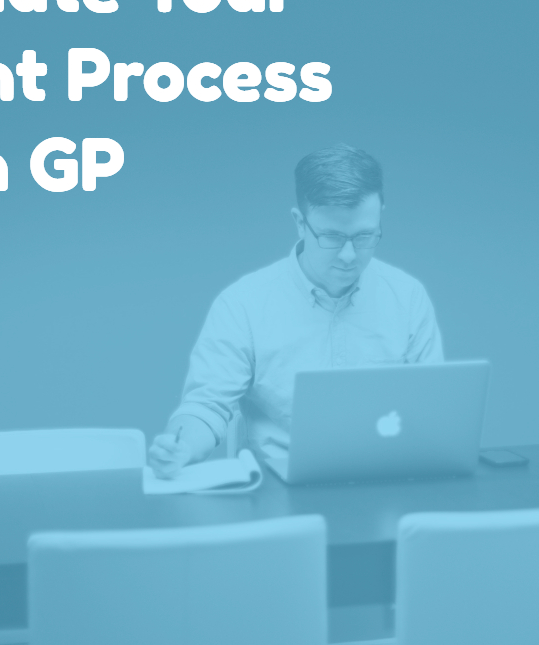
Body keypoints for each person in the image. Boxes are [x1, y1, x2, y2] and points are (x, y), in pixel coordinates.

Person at [149, 144, 444, 477]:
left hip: (386, 479)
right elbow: (207, 407)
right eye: (332, 237)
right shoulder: (243, 304)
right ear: (300, 223)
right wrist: (181, 447)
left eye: (364, 236)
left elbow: (432, 410)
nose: (349, 255)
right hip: (279, 489)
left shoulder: (407, 297)